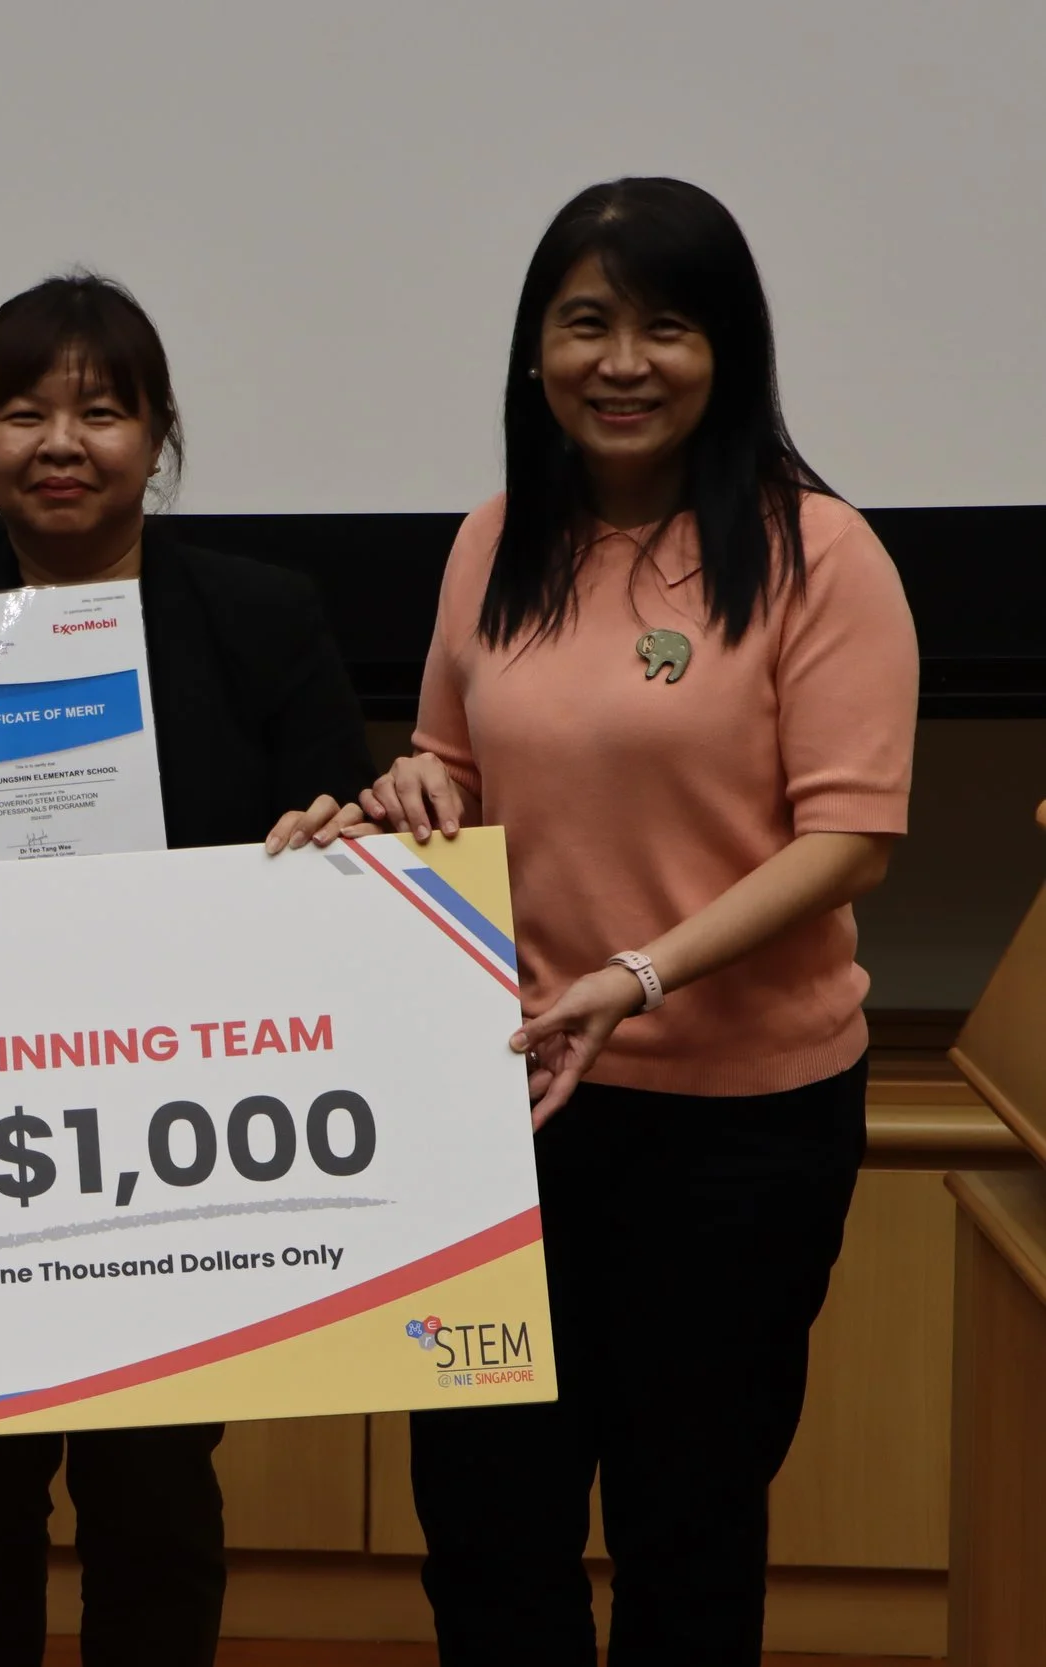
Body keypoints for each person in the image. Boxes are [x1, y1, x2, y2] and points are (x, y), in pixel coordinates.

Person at [367, 178, 917, 1666]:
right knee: (485, 1530)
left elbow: (851, 837)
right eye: (584, 322)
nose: (621, 361)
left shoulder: (822, 554)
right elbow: (455, 765)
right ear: (535, 349)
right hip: (497, 1111)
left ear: (726, 349)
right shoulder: (494, 538)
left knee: (687, 1530)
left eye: (665, 326)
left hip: (738, 1128)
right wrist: (409, 787)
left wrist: (639, 972)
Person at [0, 273, 376, 1667]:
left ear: (158, 435)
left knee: (155, 1490)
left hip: (179, 1130)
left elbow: (349, 837)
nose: (61, 440)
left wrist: (332, 830)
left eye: (102, 409)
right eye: (23, 409)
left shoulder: (260, 618)